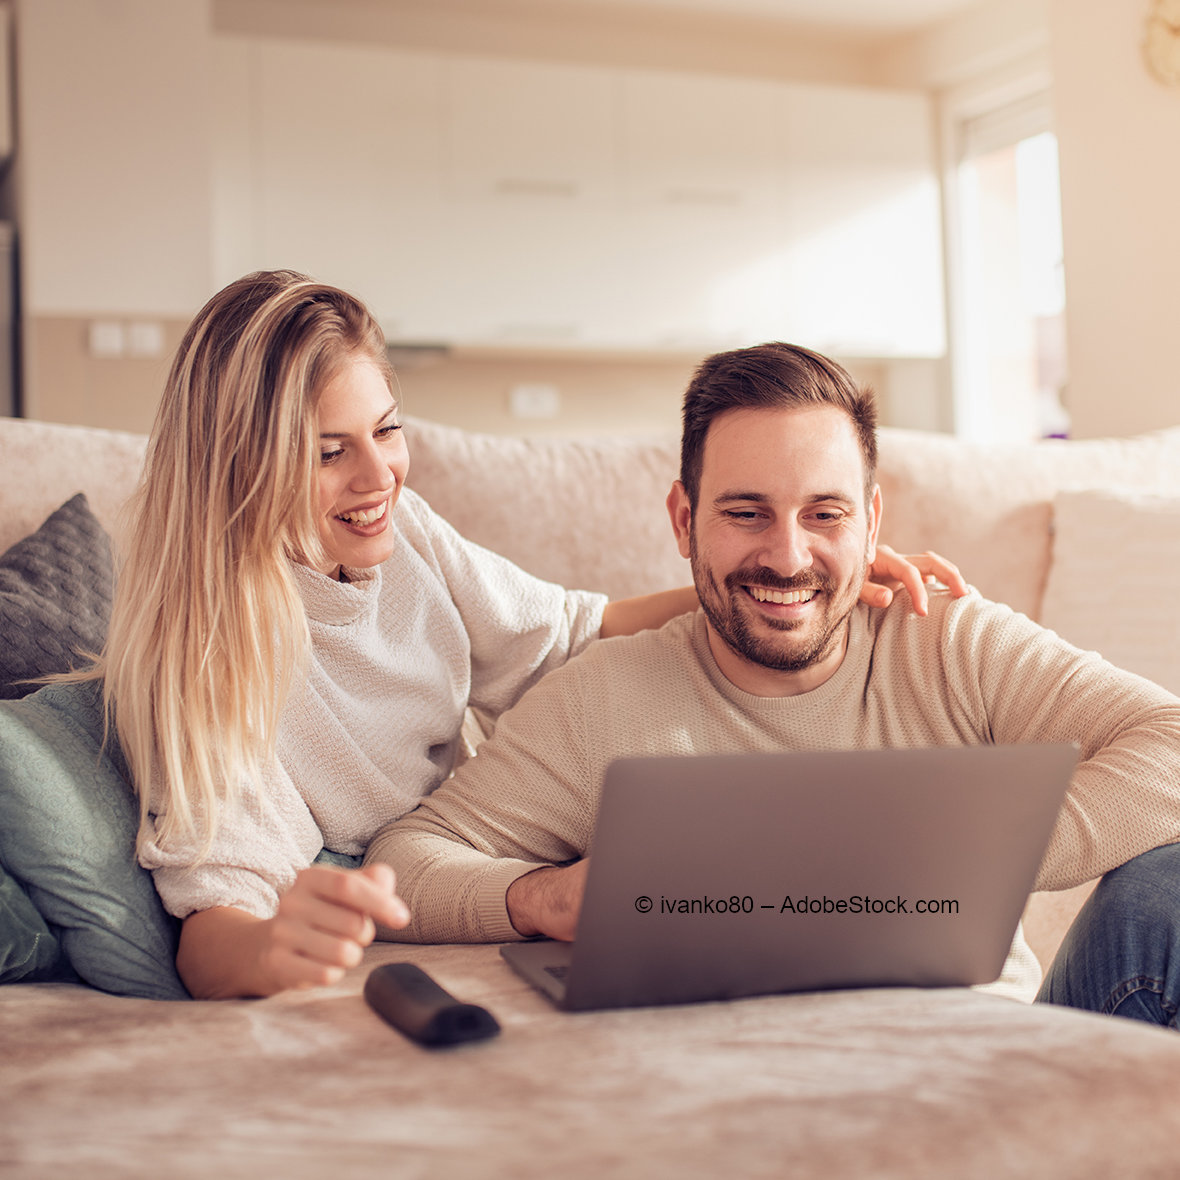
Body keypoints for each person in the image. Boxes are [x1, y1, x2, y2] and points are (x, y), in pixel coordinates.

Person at [95, 272, 955, 1001]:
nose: (377, 476)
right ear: (241, 461)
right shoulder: (209, 652)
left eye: (387, 430)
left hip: (480, 855)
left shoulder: (407, 537)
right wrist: (274, 946)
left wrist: (805, 583)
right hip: (409, 907)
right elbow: (212, 930)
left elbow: (575, 631)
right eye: (329, 453)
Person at [366, 340, 1180, 1003]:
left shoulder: (947, 641)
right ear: (685, 520)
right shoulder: (604, 697)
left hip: (991, 1061)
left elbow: (1169, 738)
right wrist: (541, 898)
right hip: (742, 1083)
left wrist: (962, 860)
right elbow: (405, 861)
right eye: (746, 512)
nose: (787, 557)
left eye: (824, 515)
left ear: (871, 524)